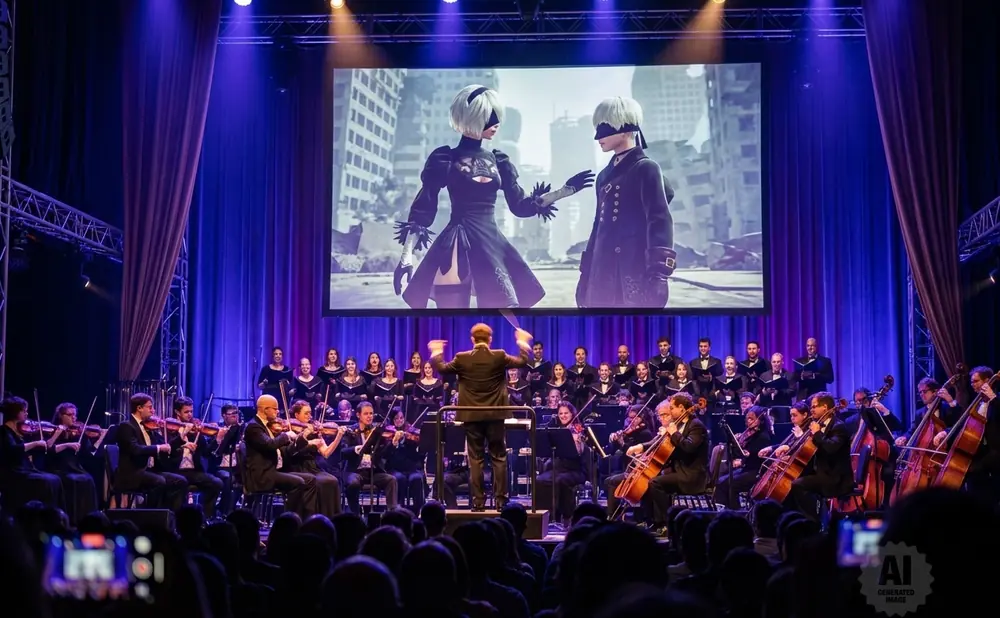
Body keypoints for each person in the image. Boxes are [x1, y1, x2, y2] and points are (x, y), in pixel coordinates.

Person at [393, 83, 593, 309]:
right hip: (457, 243)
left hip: (491, 244)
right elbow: (424, 209)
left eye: (497, 116)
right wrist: (406, 257)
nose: (496, 122)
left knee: (501, 316)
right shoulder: (445, 158)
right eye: (490, 116)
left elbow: (520, 206)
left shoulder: (499, 160)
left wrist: (564, 191)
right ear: (474, 117)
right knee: (451, 319)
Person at [576, 96, 676, 309]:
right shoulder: (603, 176)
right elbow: (598, 227)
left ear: (624, 127)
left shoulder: (645, 168)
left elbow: (659, 222)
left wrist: (659, 274)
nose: (597, 137)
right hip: (600, 274)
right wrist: (585, 274)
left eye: (604, 128)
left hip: (632, 271)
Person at [429, 323, 531, 511]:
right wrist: (522, 342)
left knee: (475, 460)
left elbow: (442, 369)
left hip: (472, 416)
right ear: (490, 339)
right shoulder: (499, 355)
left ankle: (478, 503)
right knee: (499, 458)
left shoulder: (462, 358)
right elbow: (522, 362)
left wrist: (437, 351)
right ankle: (501, 502)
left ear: (472, 339)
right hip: (495, 415)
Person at [610, 394, 708, 535]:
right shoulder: (680, 424)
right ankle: (652, 520)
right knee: (650, 479)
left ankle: (666, 523)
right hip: (679, 470)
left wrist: (674, 433)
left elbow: (688, 447)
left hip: (691, 475)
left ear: (681, 408)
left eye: (672, 408)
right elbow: (661, 441)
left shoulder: (696, 425)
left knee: (655, 482)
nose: (670, 410)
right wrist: (641, 447)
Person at [242, 394, 319, 517]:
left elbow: (285, 452)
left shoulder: (266, 426)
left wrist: (301, 438)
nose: (278, 412)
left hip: (273, 471)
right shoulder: (254, 427)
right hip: (262, 475)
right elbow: (270, 445)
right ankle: (290, 518)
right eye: (275, 409)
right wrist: (286, 435)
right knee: (298, 482)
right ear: (264, 409)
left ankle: (307, 517)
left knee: (310, 479)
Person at [115, 393, 187, 510]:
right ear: (139, 408)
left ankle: (170, 516)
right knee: (159, 481)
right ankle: (151, 516)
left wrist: (180, 439)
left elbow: (166, 446)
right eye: (150, 407)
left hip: (149, 471)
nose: (153, 411)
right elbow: (135, 450)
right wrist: (158, 448)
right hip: (132, 473)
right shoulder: (126, 426)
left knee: (180, 481)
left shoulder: (150, 427)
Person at [787, 391, 853, 519]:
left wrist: (817, 433)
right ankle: (796, 520)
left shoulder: (838, 427)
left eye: (814, 406)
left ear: (825, 407)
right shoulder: (818, 424)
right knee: (789, 482)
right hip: (821, 472)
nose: (811, 409)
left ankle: (813, 521)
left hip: (835, 478)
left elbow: (830, 449)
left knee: (798, 485)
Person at [0, 396, 64, 510]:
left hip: (25, 468)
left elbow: (28, 450)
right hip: (14, 471)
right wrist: (35, 443)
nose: (26, 413)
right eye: (24, 410)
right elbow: (13, 450)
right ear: (15, 412)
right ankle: (41, 516)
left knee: (56, 479)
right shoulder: (4, 431)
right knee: (47, 481)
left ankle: (57, 517)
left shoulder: (19, 431)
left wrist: (42, 444)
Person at [341, 401, 398, 513]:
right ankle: (355, 513)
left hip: (373, 471)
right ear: (358, 415)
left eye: (371, 413)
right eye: (366, 414)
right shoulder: (350, 431)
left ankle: (393, 513)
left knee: (391, 480)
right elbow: (343, 451)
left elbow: (385, 454)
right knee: (353, 483)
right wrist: (356, 449)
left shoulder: (377, 431)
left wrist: (393, 443)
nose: (369, 416)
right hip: (356, 471)